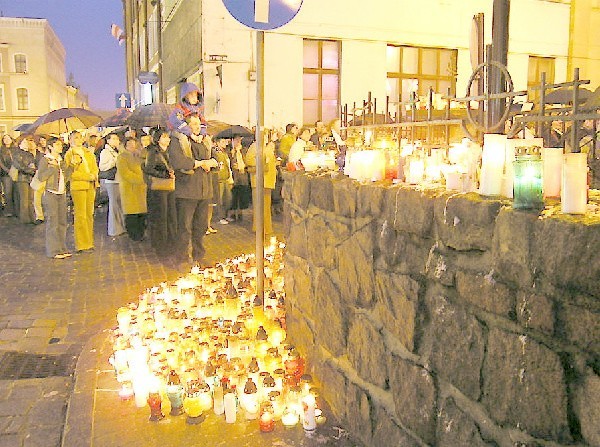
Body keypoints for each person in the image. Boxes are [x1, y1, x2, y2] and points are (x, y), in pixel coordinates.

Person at [168, 115, 218, 268]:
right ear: (187, 125)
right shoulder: (179, 141)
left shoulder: (205, 141)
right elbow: (178, 162)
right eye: (194, 124)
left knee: (201, 226)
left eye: (199, 123)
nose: (197, 126)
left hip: (204, 191)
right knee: (184, 227)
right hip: (187, 191)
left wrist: (210, 162)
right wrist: (199, 163)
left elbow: (216, 159)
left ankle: (199, 255)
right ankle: (181, 258)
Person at [36, 137, 73, 259]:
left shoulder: (60, 160)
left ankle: (62, 247)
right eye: (57, 145)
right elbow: (41, 177)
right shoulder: (46, 160)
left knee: (62, 221)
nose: (60, 147)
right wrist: (52, 168)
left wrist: (72, 166)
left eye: (60, 144)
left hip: (61, 193)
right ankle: (53, 250)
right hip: (51, 193)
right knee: (53, 222)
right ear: (50, 146)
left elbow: (65, 177)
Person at [144, 129, 177, 253]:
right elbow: (148, 169)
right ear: (158, 139)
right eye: (164, 137)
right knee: (160, 216)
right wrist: (165, 174)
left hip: (170, 186)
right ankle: (160, 243)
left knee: (170, 215)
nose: (167, 139)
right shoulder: (153, 152)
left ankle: (170, 241)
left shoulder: (168, 152)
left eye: (168, 137)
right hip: (159, 188)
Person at [64, 131, 98, 253]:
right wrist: (87, 176)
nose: (78, 140)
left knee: (89, 214)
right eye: (75, 138)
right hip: (79, 186)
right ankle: (82, 244)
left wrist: (94, 175)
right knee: (81, 215)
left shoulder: (88, 152)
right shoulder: (69, 154)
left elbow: (94, 167)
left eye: (79, 137)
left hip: (91, 185)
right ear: (70, 140)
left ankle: (89, 241)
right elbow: (70, 174)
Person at [245, 132, 277, 236]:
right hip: (259, 181)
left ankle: (266, 227)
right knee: (260, 206)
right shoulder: (255, 146)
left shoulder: (265, 147)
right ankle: (259, 228)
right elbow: (249, 160)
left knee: (266, 207)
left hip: (267, 180)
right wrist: (261, 163)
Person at [117, 138, 147, 241]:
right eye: (130, 144)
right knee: (132, 214)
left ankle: (141, 233)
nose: (132, 147)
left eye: (134, 144)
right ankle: (134, 235)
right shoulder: (122, 157)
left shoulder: (139, 156)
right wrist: (141, 179)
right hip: (129, 189)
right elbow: (125, 173)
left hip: (141, 190)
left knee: (141, 214)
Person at [99, 133, 126, 237]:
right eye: (113, 139)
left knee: (120, 204)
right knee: (114, 204)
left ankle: (121, 227)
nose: (116, 141)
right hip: (112, 181)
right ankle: (114, 229)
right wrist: (115, 160)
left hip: (120, 180)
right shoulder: (105, 152)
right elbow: (102, 167)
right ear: (108, 141)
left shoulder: (119, 151)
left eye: (117, 139)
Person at [11, 136, 36, 224]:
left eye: (27, 142)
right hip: (22, 179)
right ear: (20, 144)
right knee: (24, 200)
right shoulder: (17, 153)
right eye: (25, 142)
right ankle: (25, 219)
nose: (27, 144)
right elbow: (20, 166)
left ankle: (32, 218)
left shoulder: (30, 154)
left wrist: (32, 170)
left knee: (31, 199)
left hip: (30, 178)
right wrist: (30, 170)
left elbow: (32, 164)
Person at [228, 135, 251, 221]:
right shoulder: (230, 151)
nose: (237, 142)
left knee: (242, 194)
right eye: (235, 141)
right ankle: (233, 212)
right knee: (234, 195)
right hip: (234, 176)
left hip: (243, 175)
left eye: (239, 140)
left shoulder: (244, 151)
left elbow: (247, 161)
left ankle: (240, 212)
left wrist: (242, 165)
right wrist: (233, 154)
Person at [213, 136, 233, 225]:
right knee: (220, 199)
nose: (225, 143)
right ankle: (220, 217)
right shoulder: (216, 152)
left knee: (227, 198)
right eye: (222, 141)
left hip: (225, 178)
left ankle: (225, 215)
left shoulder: (225, 153)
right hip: (219, 179)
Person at [31, 136, 47, 225]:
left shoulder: (50, 150)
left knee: (48, 197)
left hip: (49, 175)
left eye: (44, 140)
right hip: (39, 175)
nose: (43, 142)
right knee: (37, 197)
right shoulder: (37, 153)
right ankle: (39, 216)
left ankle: (48, 213)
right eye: (41, 140)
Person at [0, 134, 16, 217]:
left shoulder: (15, 149)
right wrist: (8, 170)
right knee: (8, 192)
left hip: (16, 172)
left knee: (15, 192)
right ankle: (9, 210)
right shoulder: (1, 150)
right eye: (4, 138)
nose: (6, 140)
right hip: (6, 174)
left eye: (8, 138)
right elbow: (1, 163)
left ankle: (16, 210)